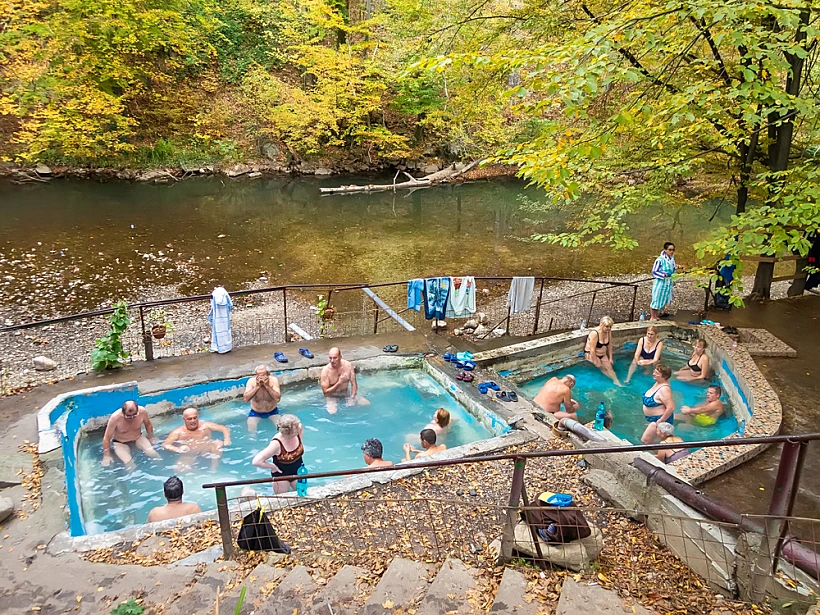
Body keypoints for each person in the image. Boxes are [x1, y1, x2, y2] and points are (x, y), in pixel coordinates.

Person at [162, 407, 232, 471]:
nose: (193, 421)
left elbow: (224, 428)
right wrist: (178, 449)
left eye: (194, 418)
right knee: (179, 469)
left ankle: (214, 469)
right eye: (189, 419)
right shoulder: (178, 432)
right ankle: (197, 474)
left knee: (218, 443)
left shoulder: (206, 426)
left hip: (206, 451)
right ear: (184, 419)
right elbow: (165, 445)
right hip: (189, 455)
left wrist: (227, 439)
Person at [252, 414, 305, 494]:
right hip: (281, 475)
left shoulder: (299, 429)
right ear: (288, 433)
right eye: (296, 428)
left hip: (298, 471)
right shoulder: (276, 444)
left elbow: (299, 427)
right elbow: (256, 461)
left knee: (303, 494)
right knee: (282, 498)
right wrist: (273, 467)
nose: (298, 429)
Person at [101, 400, 161, 471]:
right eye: (128, 416)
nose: (132, 418)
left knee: (152, 453)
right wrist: (106, 455)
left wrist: (151, 436)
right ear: (123, 413)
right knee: (129, 463)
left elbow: (148, 424)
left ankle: (161, 470)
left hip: (138, 438)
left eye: (134, 415)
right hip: (120, 442)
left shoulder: (142, 411)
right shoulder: (115, 418)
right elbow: (106, 438)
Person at [320, 347, 370, 414]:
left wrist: (352, 397)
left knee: (366, 403)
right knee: (332, 412)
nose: (332, 361)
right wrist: (339, 382)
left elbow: (354, 384)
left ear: (340, 357)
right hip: (332, 395)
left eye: (335, 358)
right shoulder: (326, 371)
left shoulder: (348, 366)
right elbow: (325, 393)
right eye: (330, 358)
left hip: (346, 393)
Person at [640, 364, 675, 444]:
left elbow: (671, 408)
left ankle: (660, 452)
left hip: (659, 420)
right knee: (656, 441)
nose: (653, 374)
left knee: (645, 441)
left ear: (664, 376)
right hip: (654, 420)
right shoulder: (658, 382)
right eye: (654, 371)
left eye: (657, 373)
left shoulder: (664, 389)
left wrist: (660, 421)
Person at [584, 316, 622, 386]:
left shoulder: (608, 331)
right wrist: (595, 361)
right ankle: (613, 380)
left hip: (603, 354)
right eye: (607, 327)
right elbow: (592, 349)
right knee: (602, 367)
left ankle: (616, 381)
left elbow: (610, 345)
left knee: (610, 368)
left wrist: (610, 358)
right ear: (602, 325)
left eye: (610, 327)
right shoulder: (595, 333)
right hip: (591, 354)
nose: (609, 328)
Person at [243, 365, 281, 432]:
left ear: (268, 374)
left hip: (272, 411)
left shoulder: (274, 380)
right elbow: (245, 399)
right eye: (258, 375)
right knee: (251, 431)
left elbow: (277, 399)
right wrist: (257, 387)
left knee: (281, 429)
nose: (261, 378)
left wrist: (267, 386)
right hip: (256, 412)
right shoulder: (251, 381)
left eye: (263, 375)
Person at [650, 242, 681, 321]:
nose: (671, 251)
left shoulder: (671, 259)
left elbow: (673, 267)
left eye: (673, 250)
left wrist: (678, 267)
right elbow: (654, 271)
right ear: (665, 250)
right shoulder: (660, 260)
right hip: (660, 282)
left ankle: (656, 315)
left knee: (662, 298)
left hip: (668, 282)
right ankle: (652, 317)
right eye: (670, 250)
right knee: (656, 298)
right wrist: (664, 274)